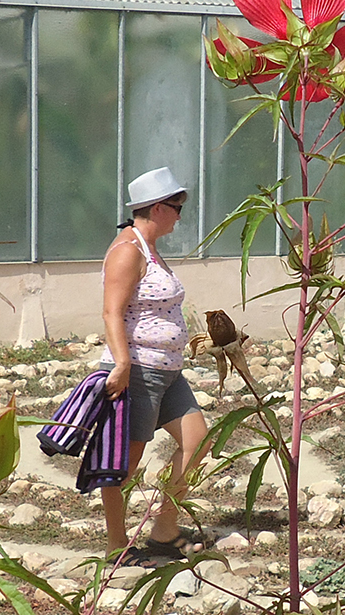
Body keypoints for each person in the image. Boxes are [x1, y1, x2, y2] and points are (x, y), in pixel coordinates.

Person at [100, 167, 210, 566]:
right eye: (177, 208)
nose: (181, 216)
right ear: (158, 208)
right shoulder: (128, 250)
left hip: (168, 368)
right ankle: (117, 545)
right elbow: (112, 310)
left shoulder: (149, 247)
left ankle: (164, 529)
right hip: (140, 369)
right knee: (124, 464)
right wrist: (123, 363)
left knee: (197, 439)